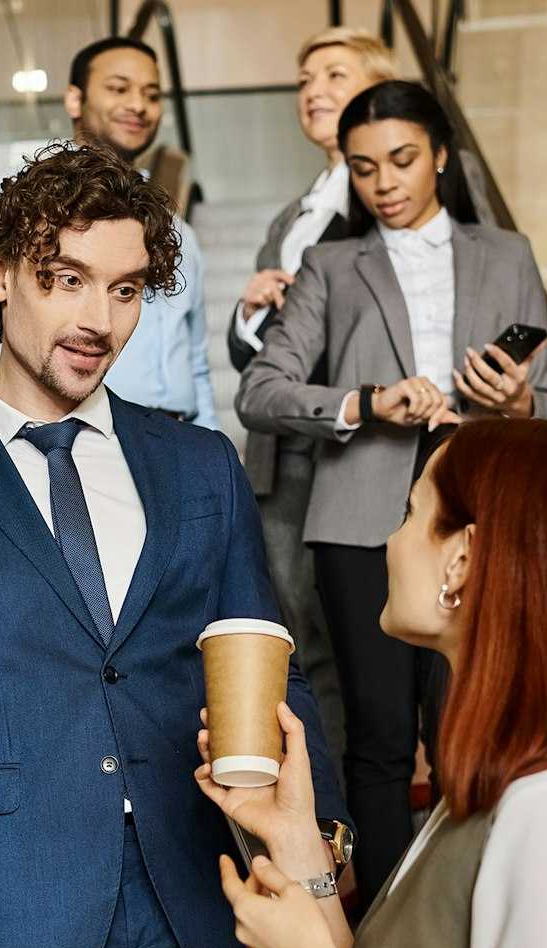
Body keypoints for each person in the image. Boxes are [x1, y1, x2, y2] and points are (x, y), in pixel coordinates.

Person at [0, 142, 347, 948]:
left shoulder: (200, 465)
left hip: (204, 917)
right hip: (6, 925)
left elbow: (273, 671)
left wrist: (320, 848)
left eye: (127, 289)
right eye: (66, 279)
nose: (99, 320)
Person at [198, 418, 547, 948]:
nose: (391, 541)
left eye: (410, 514)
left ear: (461, 559)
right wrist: (298, 842)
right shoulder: (506, 793)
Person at [234, 80, 547, 892]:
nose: (385, 182)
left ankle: (467, 909)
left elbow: (543, 402)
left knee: (469, 730)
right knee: (375, 734)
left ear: (442, 157)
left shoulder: (507, 255)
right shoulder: (332, 264)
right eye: (364, 166)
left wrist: (517, 400)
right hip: (356, 522)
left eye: (404, 160)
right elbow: (261, 391)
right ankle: (382, 920)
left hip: (477, 512)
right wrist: (364, 402)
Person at [223, 25, 398, 773]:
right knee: (297, 632)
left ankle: (366, 795)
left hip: (352, 448)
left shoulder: (387, 203)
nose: (314, 91)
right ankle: (325, 805)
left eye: (334, 74)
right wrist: (250, 313)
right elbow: (255, 358)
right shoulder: (290, 217)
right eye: (304, 82)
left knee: (361, 638)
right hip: (281, 451)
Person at [0, 37, 218, 428]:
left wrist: (208, 441)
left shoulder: (176, 227)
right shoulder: (32, 211)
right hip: (79, 433)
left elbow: (196, 360)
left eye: (151, 94)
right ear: (74, 100)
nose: (137, 105)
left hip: (176, 440)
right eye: (118, 88)